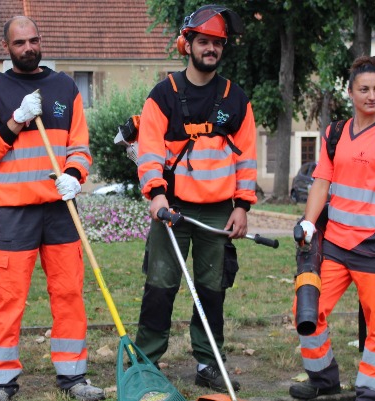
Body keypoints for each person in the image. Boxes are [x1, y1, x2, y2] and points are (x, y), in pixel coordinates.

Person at [0, 16, 104, 401]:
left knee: (69, 293)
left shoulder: (64, 87)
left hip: (61, 208)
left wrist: (74, 176)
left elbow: (79, 147)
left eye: (33, 40)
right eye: (19, 43)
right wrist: (15, 121)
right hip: (15, 212)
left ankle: (73, 376)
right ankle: (1, 382)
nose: (28, 48)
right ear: (6, 47)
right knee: (10, 298)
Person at [134, 4, 257, 393]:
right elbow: (149, 153)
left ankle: (208, 361)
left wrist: (242, 206)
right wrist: (156, 196)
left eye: (217, 43)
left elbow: (247, 158)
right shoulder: (163, 96)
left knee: (212, 289)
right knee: (160, 285)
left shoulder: (236, 99)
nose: (211, 49)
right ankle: (147, 363)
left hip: (219, 211)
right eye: (203, 41)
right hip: (171, 209)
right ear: (186, 44)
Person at [290, 56, 375, 401]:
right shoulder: (334, 134)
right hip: (334, 246)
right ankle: (323, 379)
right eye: (364, 89)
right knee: (306, 311)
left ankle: (371, 394)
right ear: (350, 92)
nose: (372, 96)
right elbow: (321, 182)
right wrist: (309, 222)